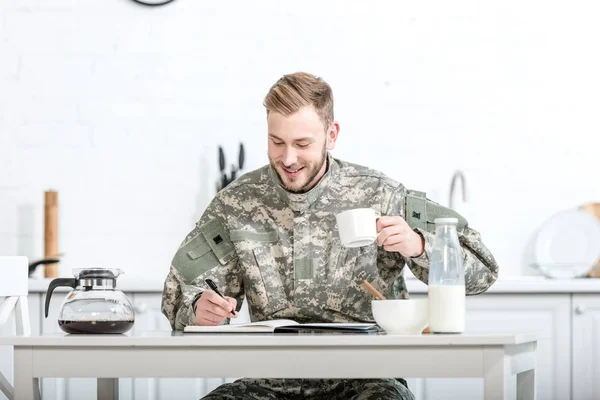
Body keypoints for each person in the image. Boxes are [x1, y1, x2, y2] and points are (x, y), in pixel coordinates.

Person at [161, 72, 499, 400]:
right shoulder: (236, 202)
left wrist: (420, 245)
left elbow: (483, 270)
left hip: (368, 381)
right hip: (268, 385)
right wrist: (198, 310)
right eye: (276, 142)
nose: (288, 158)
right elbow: (178, 293)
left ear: (331, 135)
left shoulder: (382, 194)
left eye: (302, 144)